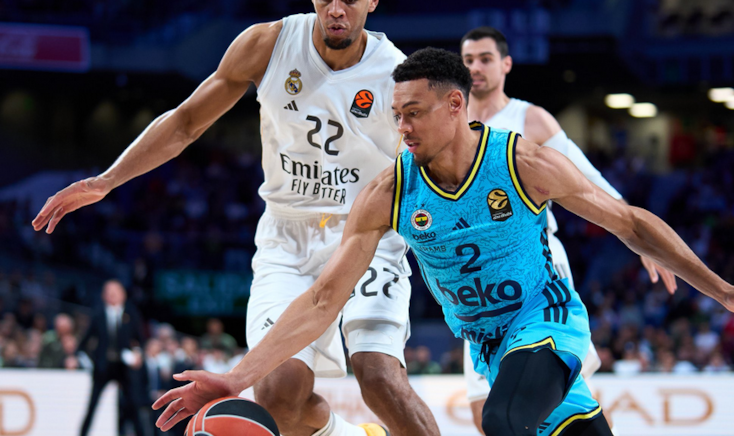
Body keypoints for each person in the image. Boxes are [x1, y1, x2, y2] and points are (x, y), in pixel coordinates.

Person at [151, 48, 734, 435]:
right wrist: (236, 377)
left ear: (456, 106)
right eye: (396, 114)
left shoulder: (522, 161)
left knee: (501, 422)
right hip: (488, 345)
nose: (402, 126)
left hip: (545, 319)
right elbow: (322, 300)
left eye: (414, 112)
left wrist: (723, 292)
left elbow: (630, 223)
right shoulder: (388, 192)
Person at [31, 1, 438, 435]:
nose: (337, 8)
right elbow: (186, 122)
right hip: (287, 236)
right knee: (278, 397)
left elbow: (425, 172)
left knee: (378, 375)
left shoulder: (397, 75)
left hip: (363, 233)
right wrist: (107, 180)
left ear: (372, 1)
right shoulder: (268, 44)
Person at [458, 26, 677, 434]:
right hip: (475, 283)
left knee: (562, 390)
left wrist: (636, 235)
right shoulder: (452, 124)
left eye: (485, 59)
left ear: (506, 64)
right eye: (468, 60)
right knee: (483, 411)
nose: (476, 68)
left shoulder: (529, 119)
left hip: (536, 266)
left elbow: (587, 179)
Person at [78, 280, 146, 436]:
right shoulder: (98, 315)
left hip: (124, 367)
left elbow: (140, 340)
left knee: (133, 405)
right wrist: (89, 362)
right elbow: (84, 343)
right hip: (103, 367)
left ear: (123, 295)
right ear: (104, 296)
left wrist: (137, 354)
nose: (112, 295)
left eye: (116, 292)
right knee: (92, 405)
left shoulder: (131, 313)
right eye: (109, 292)